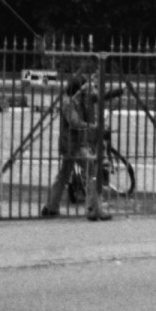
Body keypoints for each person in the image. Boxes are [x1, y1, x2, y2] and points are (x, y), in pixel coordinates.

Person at [42, 76, 107, 221]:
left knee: (64, 175)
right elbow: (74, 122)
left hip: (73, 145)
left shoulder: (80, 100)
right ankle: (94, 208)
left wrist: (117, 91)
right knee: (92, 168)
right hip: (73, 146)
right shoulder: (68, 103)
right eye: (84, 88)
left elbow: (98, 97)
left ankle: (51, 207)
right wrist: (91, 126)